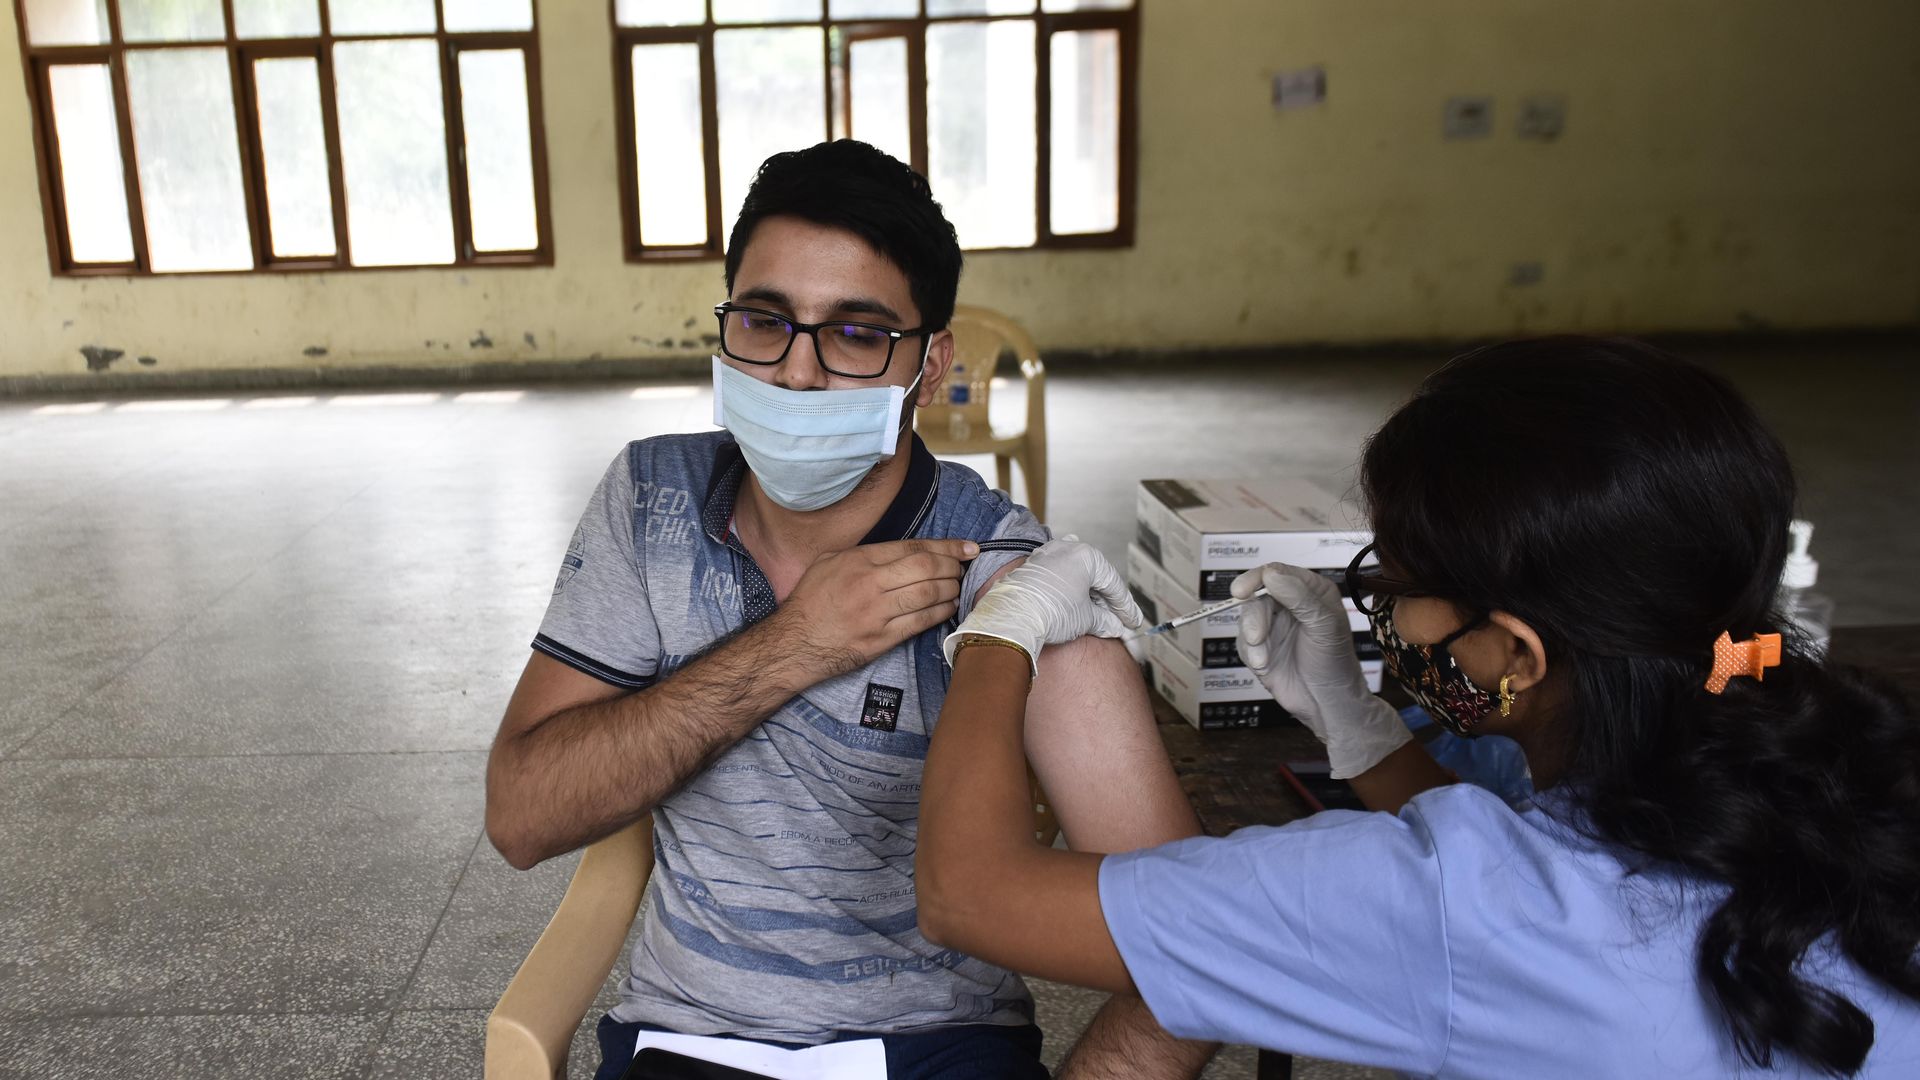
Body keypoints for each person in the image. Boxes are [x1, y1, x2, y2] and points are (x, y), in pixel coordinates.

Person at [917, 337, 1920, 1077]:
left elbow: (968, 893)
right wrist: (1361, 731)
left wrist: (1001, 636)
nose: (1383, 607)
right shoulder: (1843, 773)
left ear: (1515, 653)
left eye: (1395, 576)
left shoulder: (1444, 905)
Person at [484, 140, 1214, 1080]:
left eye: (857, 333)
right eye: (764, 319)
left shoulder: (1011, 582)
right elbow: (522, 816)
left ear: (930, 361)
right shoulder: (650, 498)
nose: (794, 374)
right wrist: (798, 643)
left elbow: (1197, 946)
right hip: (689, 1041)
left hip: (931, 1049)